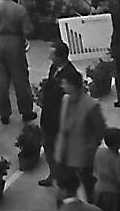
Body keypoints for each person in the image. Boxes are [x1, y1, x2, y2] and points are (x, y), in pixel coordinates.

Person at [55, 66, 106, 202]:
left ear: (72, 85)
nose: (62, 86)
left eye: (64, 83)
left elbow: (100, 130)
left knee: (87, 188)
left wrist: (90, 148)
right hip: (65, 153)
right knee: (66, 189)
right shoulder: (66, 99)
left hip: (82, 157)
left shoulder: (91, 105)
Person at [38, 41, 80, 187]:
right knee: (49, 150)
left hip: (60, 120)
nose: (49, 56)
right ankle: (53, 175)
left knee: (61, 152)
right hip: (48, 117)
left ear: (60, 56)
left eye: (52, 54)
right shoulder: (54, 68)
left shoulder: (71, 75)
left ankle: (64, 179)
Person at [93, 128, 120, 211]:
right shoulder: (119, 159)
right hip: (114, 194)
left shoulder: (99, 152)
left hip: (99, 190)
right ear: (118, 143)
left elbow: (95, 170)